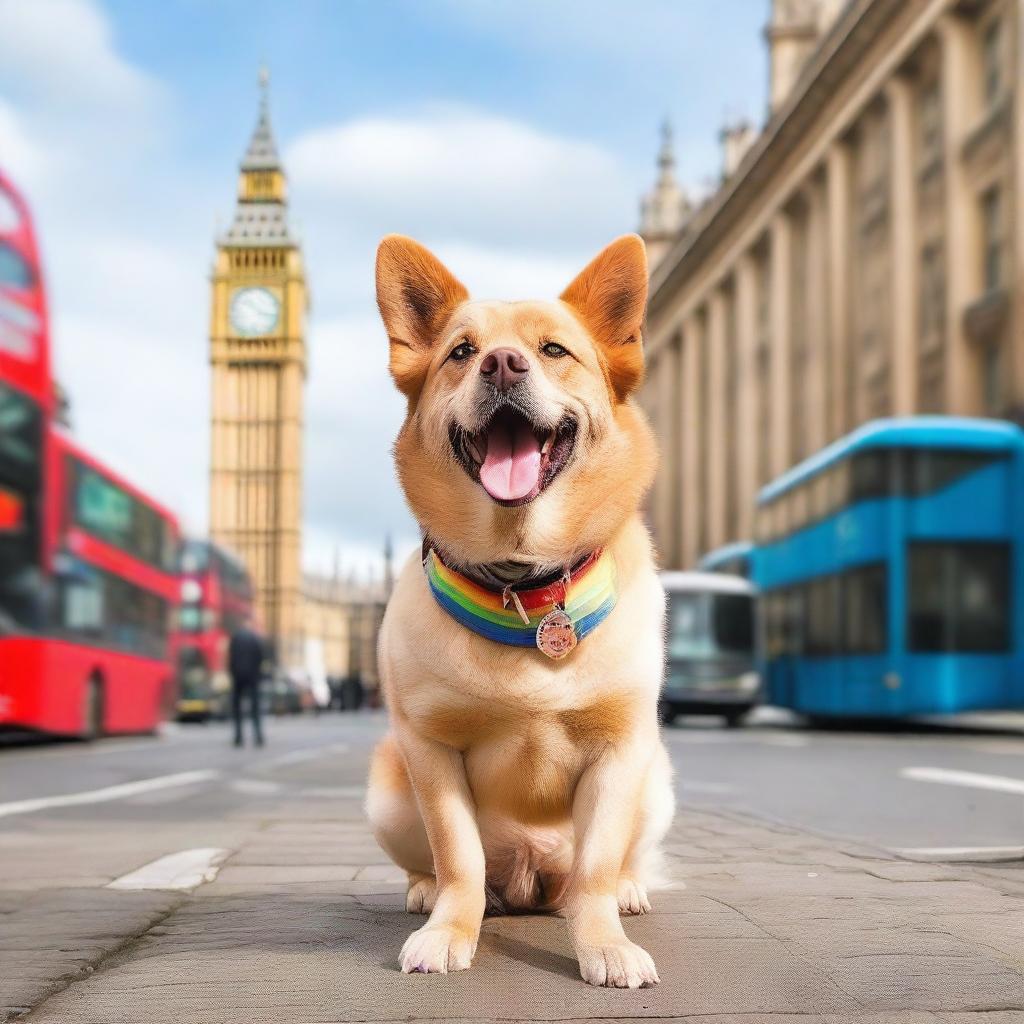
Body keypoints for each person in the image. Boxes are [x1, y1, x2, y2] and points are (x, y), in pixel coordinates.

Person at [228, 618, 266, 747]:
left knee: (237, 708)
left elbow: (231, 658)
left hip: (238, 677)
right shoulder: (255, 639)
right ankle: (258, 736)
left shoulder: (236, 638)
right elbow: (261, 658)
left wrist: (233, 673)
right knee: (255, 708)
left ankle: (238, 737)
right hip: (253, 677)